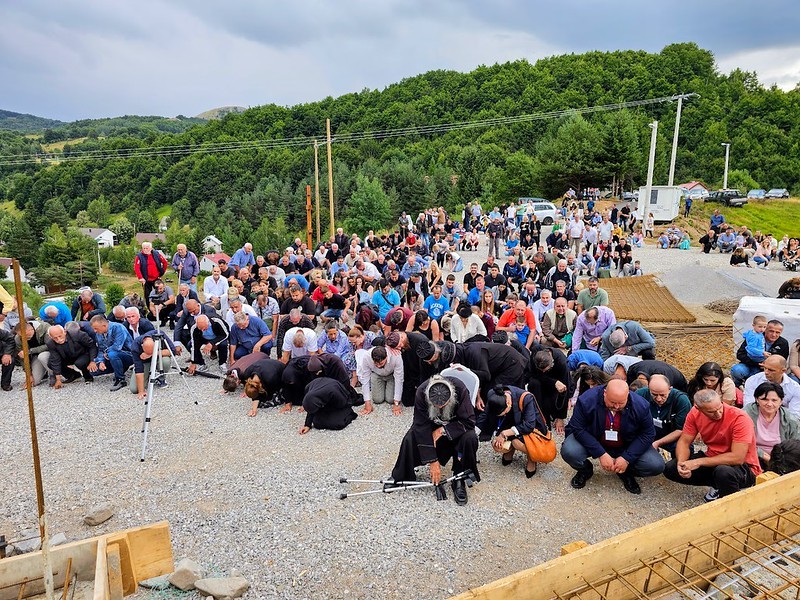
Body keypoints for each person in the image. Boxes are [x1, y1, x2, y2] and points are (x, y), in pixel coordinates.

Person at [388, 375, 479, 505]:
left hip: (455, 427)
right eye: (436, 405)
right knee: (410, 437)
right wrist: (432, 460)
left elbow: (469, 421)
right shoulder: (421, 391)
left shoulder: (460, 389)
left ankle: (459, 479)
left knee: (470, 438)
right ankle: (401, 475)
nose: (440, 408)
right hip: (431, 424)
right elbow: (420, 425)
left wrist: (442, 430)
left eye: (444, 405)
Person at [562, 379, 663, 494]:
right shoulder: (587, 400)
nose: (616, 406)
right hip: (595, 440)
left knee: (655, 464)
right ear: (605, 393)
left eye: (621, 403)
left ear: (628, 395)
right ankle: (585, 470)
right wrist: (600, 453)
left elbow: (648, 434)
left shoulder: (641, 405)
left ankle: (625, 471)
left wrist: (627, 458)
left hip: (626, 444)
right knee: (569, 451)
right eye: (612, 402)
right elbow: (577, 427)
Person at [664, 389, 761, 501]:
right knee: (671, 468)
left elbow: (737, 458)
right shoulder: (694, 413)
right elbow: (684, 442)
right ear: (698, 408)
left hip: (744, 466)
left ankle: (732, 500)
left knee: (723, 472)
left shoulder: (739, 418)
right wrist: (682, 464)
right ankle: (719, 485)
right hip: (714, 459)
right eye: (711, 412)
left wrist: (697, 462)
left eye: (720, 408)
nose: (718, 414)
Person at [488, 385, 545, 478]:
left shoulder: (526, 398)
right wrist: (497, 435)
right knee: (498, 445)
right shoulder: (494, 395)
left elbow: (529, 425)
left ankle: (532, 458)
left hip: (531, 430)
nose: (505, 414)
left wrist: (504, 434)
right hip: (511, 425)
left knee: (516, 443)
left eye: (505, 412)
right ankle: (510, 449)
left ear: (508, 402)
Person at [744, 382, 800, 470]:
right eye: (765, 399)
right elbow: (742, 443)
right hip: (754, 456)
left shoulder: (790, 419)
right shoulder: (745, 415)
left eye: (774, 400)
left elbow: (795, 445)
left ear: (781, 401)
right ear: (757, 399)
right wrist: (763, 456)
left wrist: (777, 459)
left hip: (782, 458)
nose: (769, 404)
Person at [636, 374, 692, 459]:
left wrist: (657, 443)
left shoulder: (681, 400)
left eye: (662, 395)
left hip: (672, 436)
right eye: (654, 394)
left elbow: (681, 430)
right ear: (649, 389)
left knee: (686, 448)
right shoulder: (640, 395)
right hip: (646, 434)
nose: (658, 399)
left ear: (670, 389)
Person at [527, 347, 570, 434]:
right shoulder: (535, 353)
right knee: (533, 383)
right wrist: (553, 382)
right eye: (541, 370)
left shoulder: (561, 362)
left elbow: (566, 388)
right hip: (540, 380)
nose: (543, 372)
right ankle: (538, 415)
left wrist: (561, 417)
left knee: (554, 398)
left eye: (545, 370)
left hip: (556, 382)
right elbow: (532, 374)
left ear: (552, 363)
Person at [88, 315, 134, 391]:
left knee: (112, 354)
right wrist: (101, 361)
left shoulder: (118, 327)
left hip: (128, 354)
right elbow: (101, 349)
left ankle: (120, 380)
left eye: (96, 328)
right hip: (110, 356)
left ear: (104, 325)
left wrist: (106, 353)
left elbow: (117, 346)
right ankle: (119, 369)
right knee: (93, 371)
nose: (94, 331)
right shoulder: (99, 334)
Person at [129, 331, 180, 398]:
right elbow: (139, 370)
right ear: (142, 346)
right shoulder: (135, 345)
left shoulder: (160, 334)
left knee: (166, 361)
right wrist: (141, 391)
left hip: (159, 359)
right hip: (145, 362)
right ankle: (148, 376)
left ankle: (161, 378)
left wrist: (154, 353)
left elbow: (173, 351)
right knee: (134, 389)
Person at [356, 345, 404, 416]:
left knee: (391, 400)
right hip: (376, 375)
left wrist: (396, 403)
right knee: (377, 400)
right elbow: (365, 379)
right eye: (375, 363)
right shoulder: (366, 357)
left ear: (386, 357)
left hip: (391, 376)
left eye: (381, 363)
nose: (378, 366)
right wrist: (367, 402)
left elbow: (399, 379)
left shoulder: (396, 356)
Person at [14, 321, 51, 388]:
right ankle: (43, 373)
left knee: (42, 356)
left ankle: (53, 375)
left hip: (49, 354)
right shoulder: (18, 338)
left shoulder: (44, 327)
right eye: (20, 336)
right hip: (35, 357)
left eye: (25, 334)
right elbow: (23, 358)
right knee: (34, 381)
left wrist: (29, 351)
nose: (24, 337)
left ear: (31, 329)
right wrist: (29, 375)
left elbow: (49, 345)